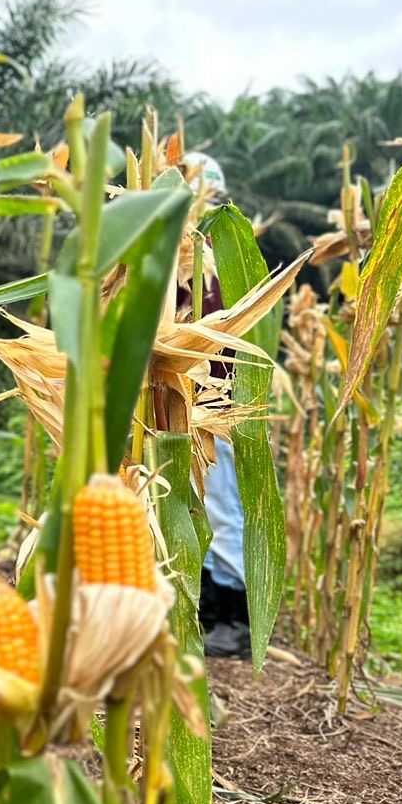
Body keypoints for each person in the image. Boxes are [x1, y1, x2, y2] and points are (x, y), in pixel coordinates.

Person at [182, 150, 251, 658]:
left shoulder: (219, 256)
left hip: (217, 405)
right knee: (196, 504)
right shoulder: (171, 256)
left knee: (223, 508)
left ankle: (236, 617)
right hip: (180, 404)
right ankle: (206, 606)